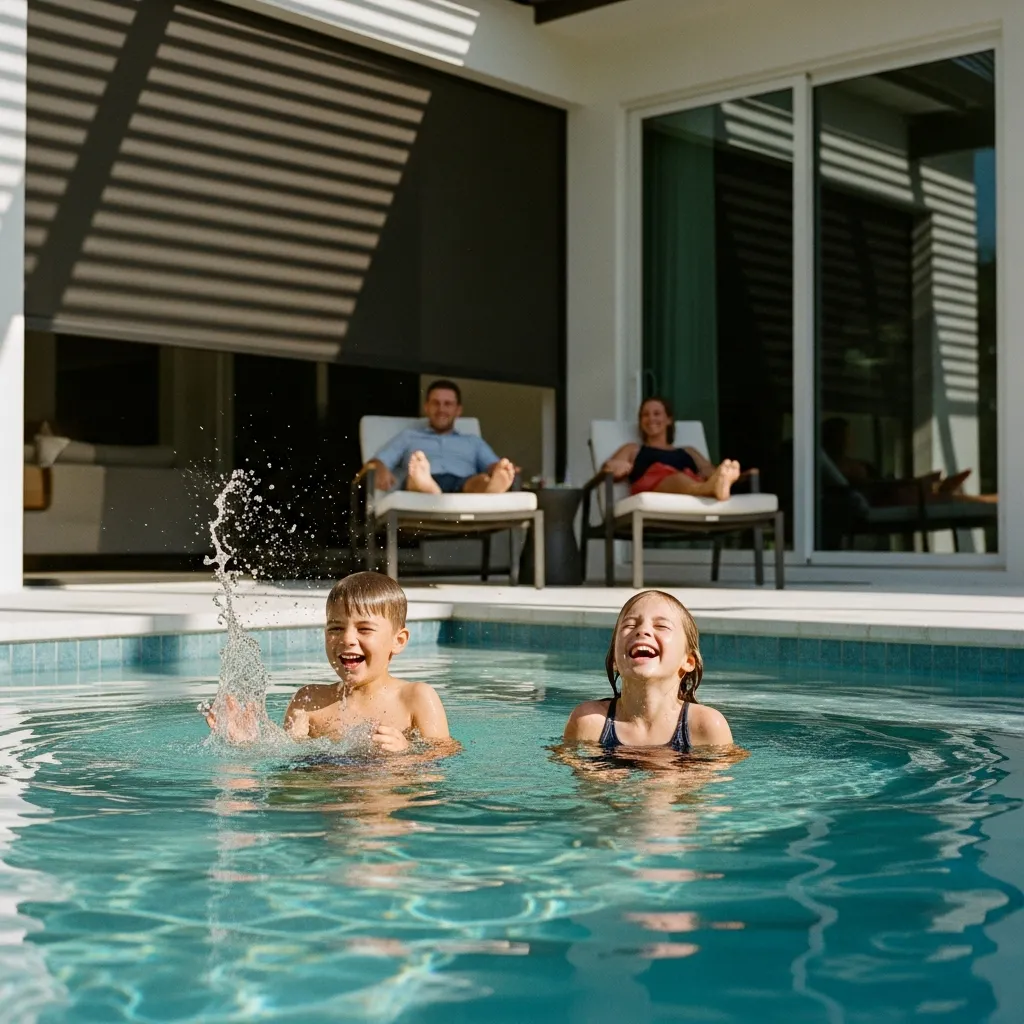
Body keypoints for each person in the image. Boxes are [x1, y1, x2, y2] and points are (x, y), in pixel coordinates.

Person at [205, 572, 452, 752]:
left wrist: (406, 752)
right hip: (326, 798)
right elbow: (289, 763)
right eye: (336, 628)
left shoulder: (416, 698)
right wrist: (247, 745)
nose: (347, 639)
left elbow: (444, 755)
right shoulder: (309, 702)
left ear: (398, 641)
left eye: (364, 629)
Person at [562, 589, 733, 752]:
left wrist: (682, 781)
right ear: (615, 660)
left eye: (661, 626)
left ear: (687, 662)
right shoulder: (590, 721)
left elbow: (722, 775)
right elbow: (565, 763)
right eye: (629, 625)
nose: (642, 631)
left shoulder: (705, 726)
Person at [363, 379, 516, 495]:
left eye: (448, 404)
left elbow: (492, 464)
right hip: (424, 478)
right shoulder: (408, 436)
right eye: (436, 403)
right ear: (426, 407)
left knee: (479, 480)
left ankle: (490, 489)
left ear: (458, 410)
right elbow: (378, 461)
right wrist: (380, 468)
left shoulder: (473, 441)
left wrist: (501, 470)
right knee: (416, 477)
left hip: (464, 485)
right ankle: (426, 485)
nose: (441, 409)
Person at [602, 397, 742, 502]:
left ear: (669, 420)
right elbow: (609, 468)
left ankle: (713, 486)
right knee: (677, 477)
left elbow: (707, 470)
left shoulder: (688, 451)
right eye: (645, 415)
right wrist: (613, 467)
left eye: (657, 414)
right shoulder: (632, 449)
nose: (651, 418)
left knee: (687, 477)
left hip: (690, 483)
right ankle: (710, 489)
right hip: (653, 489)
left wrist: (721, 473)